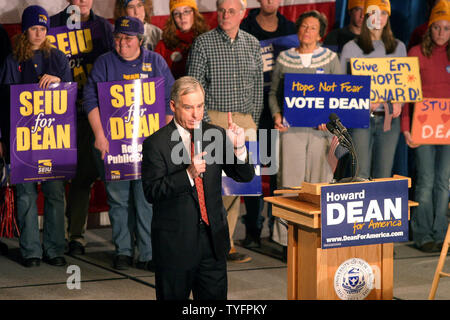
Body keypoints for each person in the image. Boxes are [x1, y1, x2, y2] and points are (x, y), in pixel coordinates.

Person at [141, 76, 255, 300]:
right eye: (189, 107)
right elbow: (151, 192)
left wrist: (240, 147)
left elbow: (244, 175)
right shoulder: (156, 144)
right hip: (175, 247)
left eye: (200, 106)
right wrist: (188, 174)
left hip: (213, 244)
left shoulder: (216, 135)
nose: (196, 114)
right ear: (173, 106)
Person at [83, 16, 174, 270]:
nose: (122, 44)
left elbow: (169, 101)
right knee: (119, 200)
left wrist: (163, 139)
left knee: (146, 201)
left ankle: (148, 253)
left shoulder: (155, 62)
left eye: (128, 39)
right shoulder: (105, 63)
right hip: (115, 147)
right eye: (118, 38)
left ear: (141, 40)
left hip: (148, 147)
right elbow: (90, 100)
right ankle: (122, 250)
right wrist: (100, 135)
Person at [187, 0, 263, 263]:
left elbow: (258, 86)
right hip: (214, 119)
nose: (225, 14)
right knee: (211, 185)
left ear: (242, 14)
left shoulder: (253, 44)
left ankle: (226, 243)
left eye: (231, 10)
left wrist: (251, 118)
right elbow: (194, 85)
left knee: (238, 184)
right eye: (221, 10)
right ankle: (206, 240)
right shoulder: (203, 43)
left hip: (245, 121)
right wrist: (205, 122)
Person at [0, 5, 72, 267]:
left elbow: (70, 95)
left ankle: (54, 248)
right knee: (26, 194)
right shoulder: (12, 61)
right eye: (34, 28)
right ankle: (31, 250)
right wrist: (3, 140)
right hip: (22, 140)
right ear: (25, 30)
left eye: (43, 28)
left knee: (54, 193)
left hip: (53, 139)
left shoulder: (59, 58)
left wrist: (59, 82)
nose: (39, 33)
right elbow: (4, 102)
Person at [268, 10, 342, 250]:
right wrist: (277, 115)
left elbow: (339, 94)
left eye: (312, 28)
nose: (307, 31)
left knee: (320, 182)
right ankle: (286, 241)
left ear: (320, 34)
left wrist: (329, 120)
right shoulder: (284, 59)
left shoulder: (330, 58)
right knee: (290, 184)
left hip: (322, 133)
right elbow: (274, 93)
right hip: (292, 131)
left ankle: (319, 236)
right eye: (303, 27)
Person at [50, 0, 114, 256]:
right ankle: (53, 241)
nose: (83, 0)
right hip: (55, 113)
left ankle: (76, 236)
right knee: (52, 177)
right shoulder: (52, 26)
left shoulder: (103, 28)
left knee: (84, 176)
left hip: (90, 113)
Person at [239, 0, 296, 248]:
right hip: (250, 110)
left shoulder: (291, 28)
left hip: (278, 113)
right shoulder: (246, 27)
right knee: (251, 170)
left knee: (275, 172)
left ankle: (277, 229)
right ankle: (252, 228)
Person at [401, 0, 450, 253]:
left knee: (444, 182)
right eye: (437, 27)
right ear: (429, 28)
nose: (441, 33)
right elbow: (408, 95)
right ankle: (422, 234)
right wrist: (406, 127)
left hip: (448, 131)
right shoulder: (416, 53)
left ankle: (442, 234)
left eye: (446, 28)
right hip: (422, 129)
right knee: (426, 180)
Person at [340, 0, 407, 180]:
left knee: (383, 174)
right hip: (360, 119)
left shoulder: (399, 47)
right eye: (374, 13)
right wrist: (362, 101)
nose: (379, 18)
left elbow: (404, 83)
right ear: (366, 16)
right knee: (360, 174)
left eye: (383, 13)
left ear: (388, 18)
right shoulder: (351, 48)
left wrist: (400, 101)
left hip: (389, 120)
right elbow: (342, 87)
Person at [155, 0, 209, 79]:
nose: (182, 17)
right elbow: (157, 77)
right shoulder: (163, 45)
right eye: (177, 13)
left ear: (194, 13)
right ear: (172, 18)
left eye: (186, 11)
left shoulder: (207, 40)